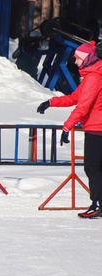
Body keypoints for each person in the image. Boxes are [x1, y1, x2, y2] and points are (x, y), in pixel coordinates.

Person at [37, 40, 102, 219]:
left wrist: (67, 127)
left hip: (97, 129)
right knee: (97, 168)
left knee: (92, 168)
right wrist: (51, 102)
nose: (75, 62)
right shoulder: (92, 75)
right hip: (97, 127)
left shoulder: (94, 78)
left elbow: (82, 106)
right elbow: (74, 97)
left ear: (87, 58)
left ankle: (97, 205)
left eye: (77, 59)